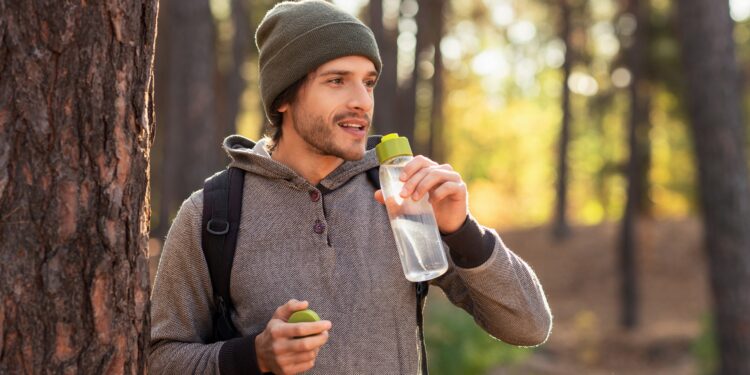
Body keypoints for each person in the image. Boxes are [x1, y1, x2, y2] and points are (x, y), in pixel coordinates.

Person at [149, 1, 552, 374]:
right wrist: (253, 356)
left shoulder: (403, 197)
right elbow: (160, 358)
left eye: (369, 82)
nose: (362, 101)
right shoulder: (212, 214)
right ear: (283, 98)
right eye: (337, 80)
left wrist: (462, 229)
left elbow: (529, 326)